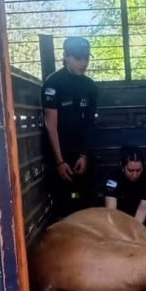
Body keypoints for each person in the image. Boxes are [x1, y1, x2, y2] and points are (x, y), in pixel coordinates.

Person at [41, 36, 98, 217]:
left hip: (82, 155)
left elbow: (90, 123)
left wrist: (84, 155)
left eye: (86, 58)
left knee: (87, 202)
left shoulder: (90, 86)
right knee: (64, 205)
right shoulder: (53, 83)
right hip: (60, 155)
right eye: (78, 58)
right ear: (66, 56)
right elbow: (51, 125)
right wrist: (59, 161)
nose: (83, 63)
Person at [104, 146, 146, 234]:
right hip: (123, 213)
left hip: (145, 215)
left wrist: (134, 233)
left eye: (138, 170)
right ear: (123, 167)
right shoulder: (113, 178)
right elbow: (111, 210)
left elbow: (143, 208)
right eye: (130, 170)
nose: (135, 174)